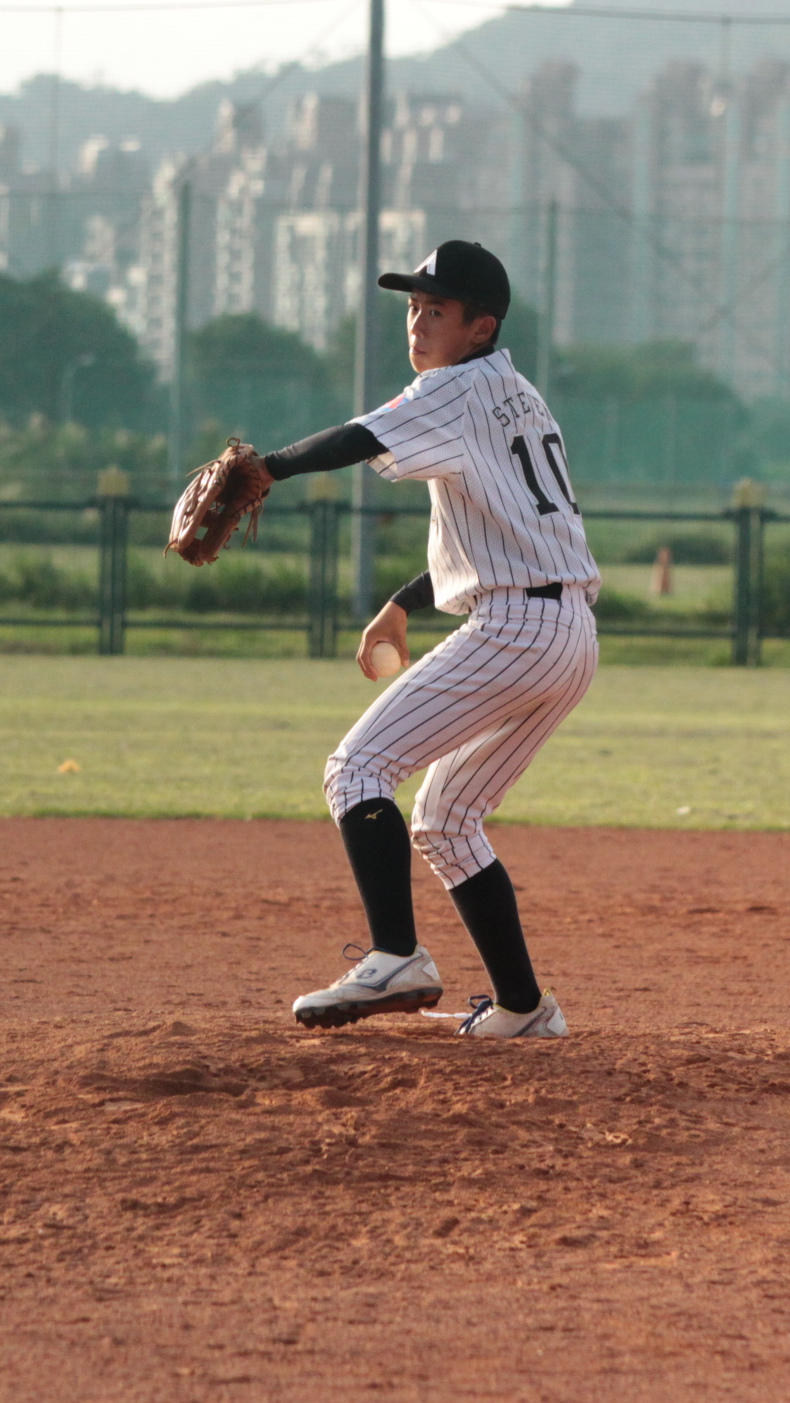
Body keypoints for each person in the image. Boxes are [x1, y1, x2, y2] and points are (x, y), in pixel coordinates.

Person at [229, 240, 601, 1038]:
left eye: (437, 309)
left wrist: (267, 467)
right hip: (568, 635)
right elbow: (508, 532)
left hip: (517, 629)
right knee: (447, 818)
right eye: (411, 306)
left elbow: (360, 436)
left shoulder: (453, 389)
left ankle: (396, 955)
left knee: (357, 770)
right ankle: (524, 1009)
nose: (417, 322)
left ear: (480, 327)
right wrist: (404, 601)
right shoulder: (518, 396)